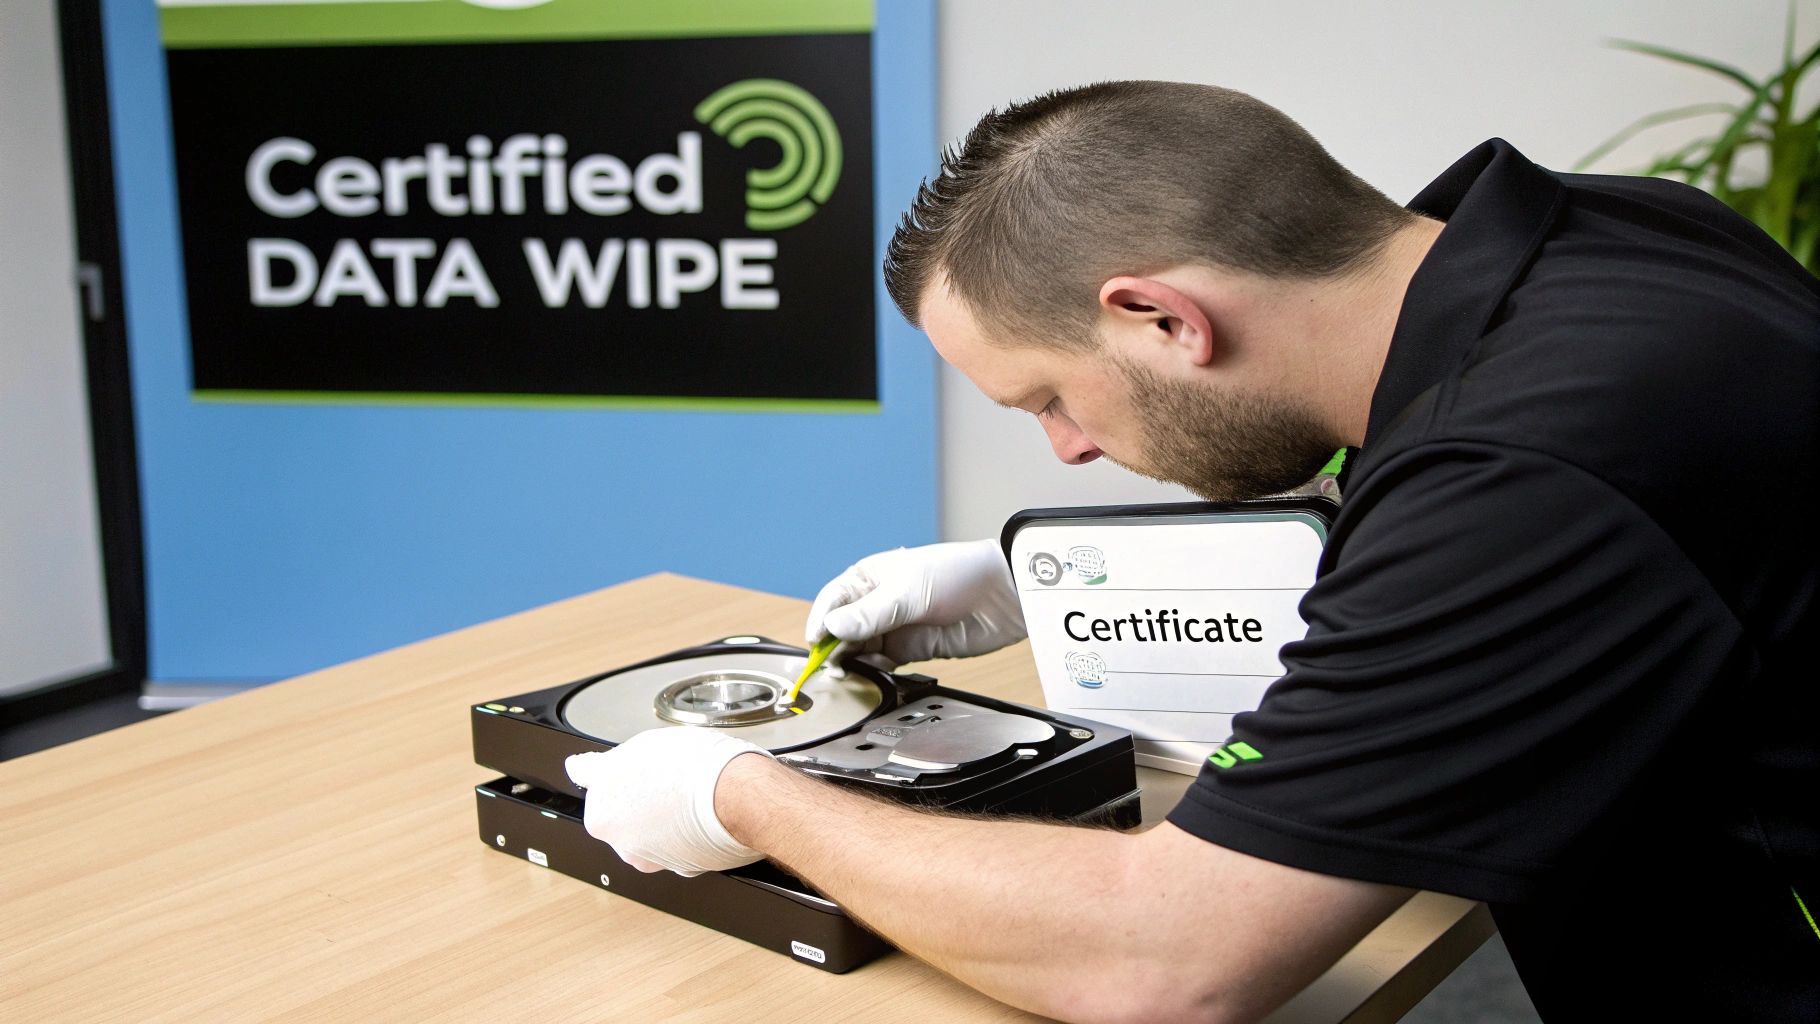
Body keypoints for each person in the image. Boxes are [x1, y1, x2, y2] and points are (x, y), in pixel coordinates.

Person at [564, 81, 1820, 1022]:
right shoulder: (1602, 240)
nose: (1062, 452)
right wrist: (1054, 582)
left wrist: (734, 793)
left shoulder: (1532, 470)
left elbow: (1162, 959)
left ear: (1159, 316)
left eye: (1046, 398)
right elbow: (1459, 503)